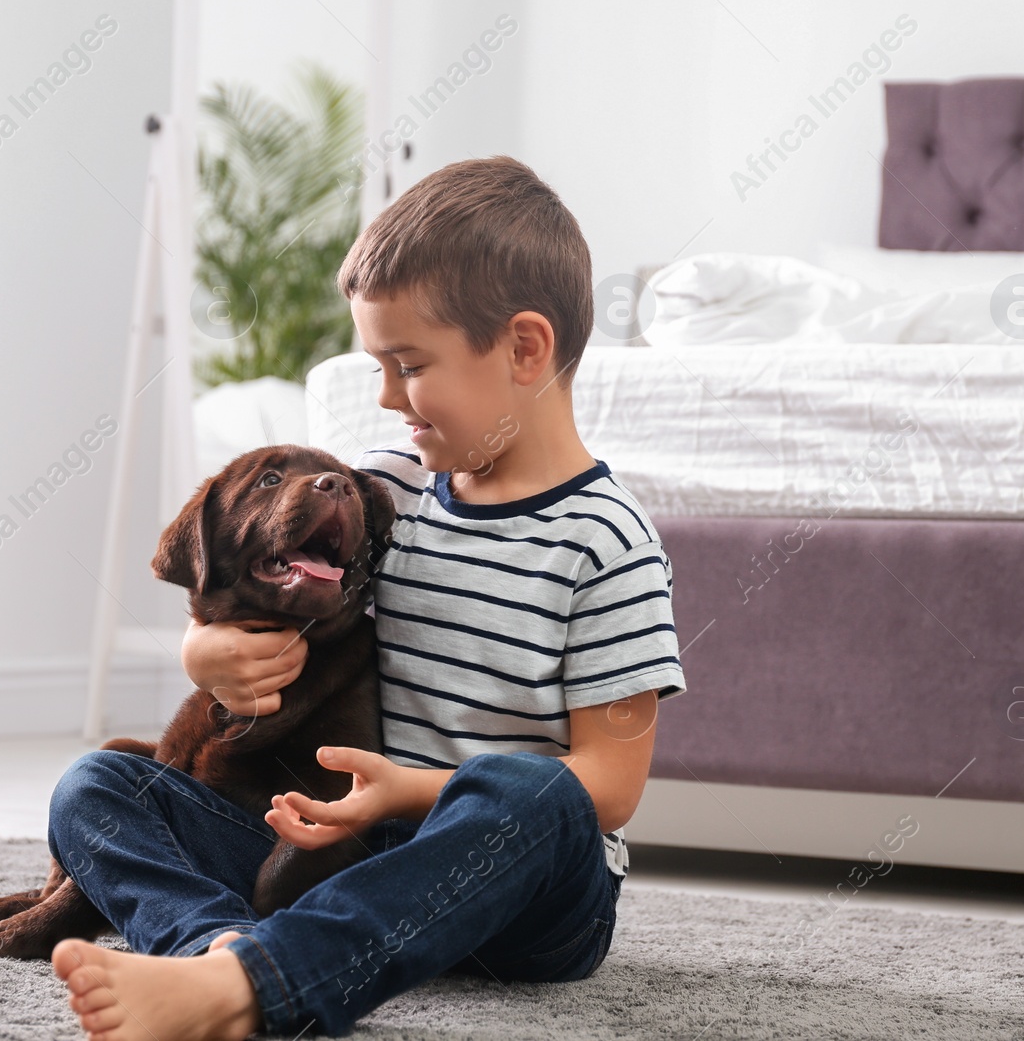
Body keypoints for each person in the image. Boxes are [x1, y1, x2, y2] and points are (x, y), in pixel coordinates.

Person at [49, 155, 685, 1040]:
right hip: (343, 857)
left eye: (408, 364)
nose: (385, 397)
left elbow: (610, 789)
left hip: (528, 895)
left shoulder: (608, 543)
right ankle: (209, 946)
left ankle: (256, 988)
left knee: (528, 789)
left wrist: (406, 792)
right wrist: (206, 656)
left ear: (524, 348)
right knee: (99, 782)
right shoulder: (387, 493)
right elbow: (255, 581)